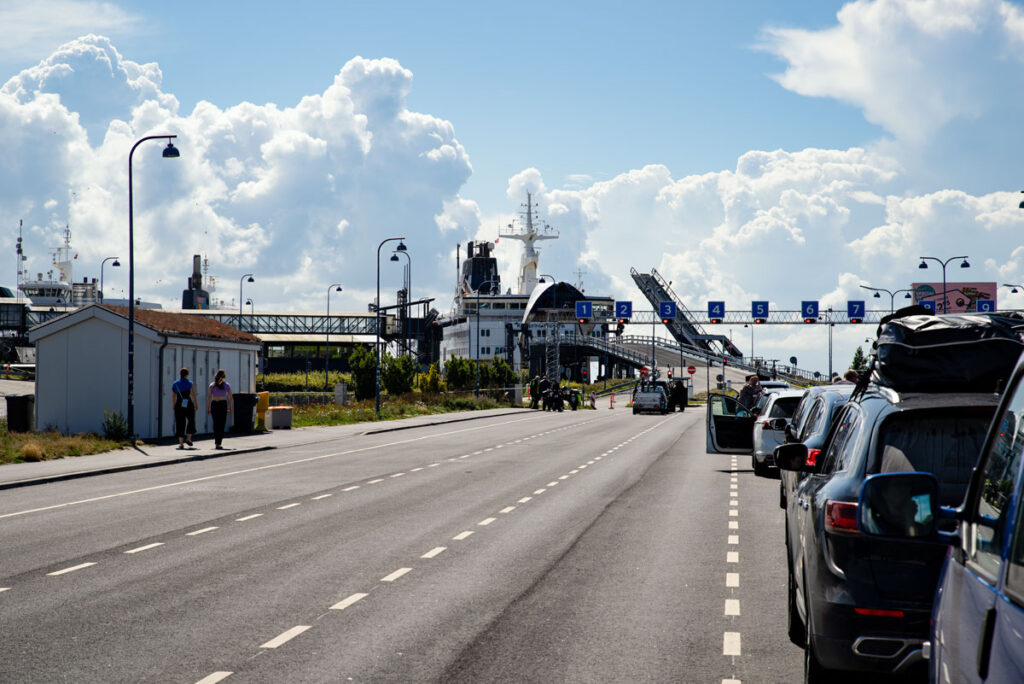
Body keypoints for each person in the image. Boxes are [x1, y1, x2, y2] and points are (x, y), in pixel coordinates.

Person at [171, 367, 197, 449]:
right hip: (188, 402)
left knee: (179, 422)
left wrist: (173, 405)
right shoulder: (190, 383)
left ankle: (181, 443)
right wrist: (196, 403)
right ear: (187, 374)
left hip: (179, 403)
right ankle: (188, 438)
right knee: (191, 420)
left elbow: (173, 395)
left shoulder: (175, 383)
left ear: (180, 374)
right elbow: (193, 394)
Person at [207, 369, 233, 449]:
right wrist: (230, 407)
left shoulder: (212, 385)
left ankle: (216, 442)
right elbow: (231, 397)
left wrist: (208, 407)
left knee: (216, 423)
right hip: (222, 404)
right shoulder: (226, 385)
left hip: (214, 404)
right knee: (221, 423)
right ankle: (219, 442)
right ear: (224, 377)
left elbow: (209, 397)